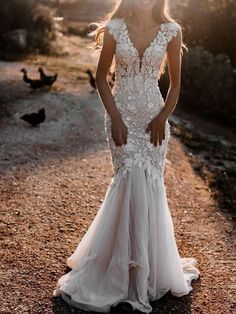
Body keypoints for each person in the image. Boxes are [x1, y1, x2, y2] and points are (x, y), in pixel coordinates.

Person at [53, 0, 200, 313]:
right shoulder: (115, 28)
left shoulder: (172, 31)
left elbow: (174, 84)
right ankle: (117, 267)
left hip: (153, 116)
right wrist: (116, 118)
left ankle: (147, 268)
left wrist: (163, 117)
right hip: (121, 115)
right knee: (127, 178)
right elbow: (102, 78)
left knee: (150, 182)